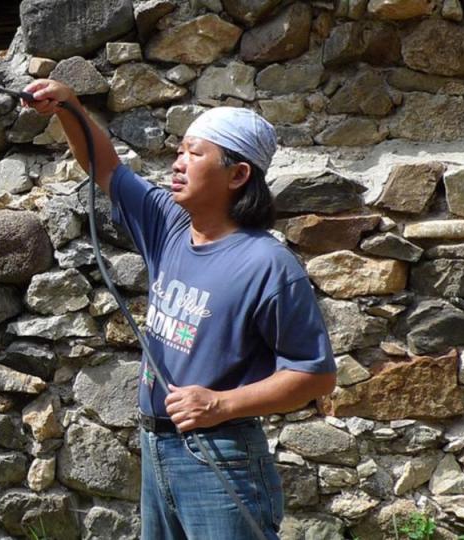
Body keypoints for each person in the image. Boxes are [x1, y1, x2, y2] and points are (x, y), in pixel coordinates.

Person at [22, 79, 337, 539]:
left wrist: (220, 402)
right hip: (156, 446)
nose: (177, 162)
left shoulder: (269, 266)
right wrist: (68, 106)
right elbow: (103, 167)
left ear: (238, 175)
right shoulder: (169, 225)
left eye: (194, 153)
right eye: (180, 150)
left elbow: (315, 375)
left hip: (221, 455)